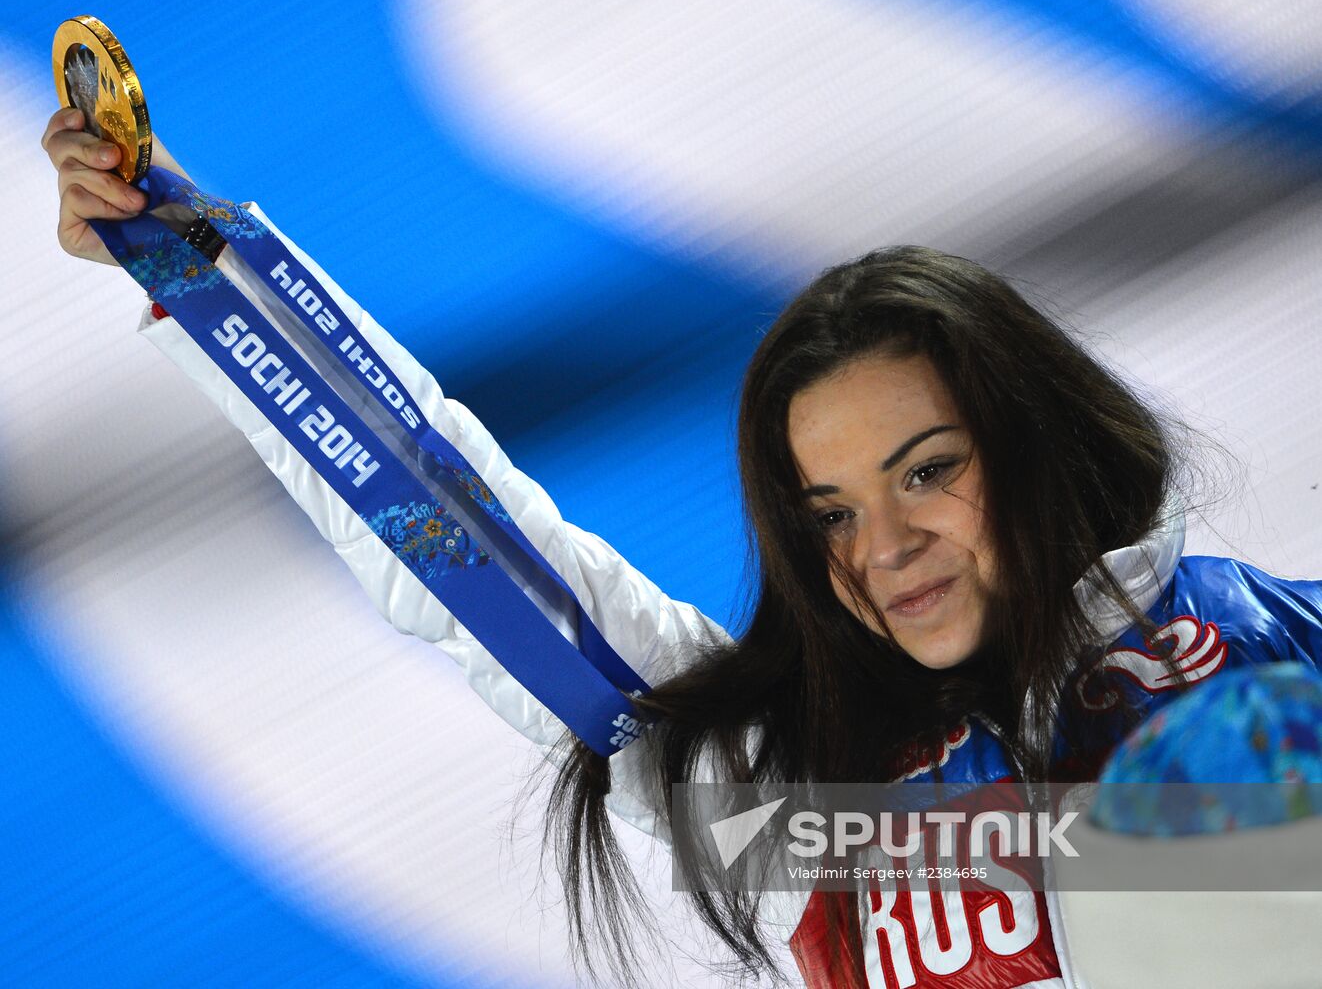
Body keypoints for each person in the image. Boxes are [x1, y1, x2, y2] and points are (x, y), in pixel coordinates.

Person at [43, 107, 1322, 989]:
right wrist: (208, 276)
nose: (883, 545)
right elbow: (469, 551)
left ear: (1029, 439)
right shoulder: (799, 799)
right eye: (825, 512)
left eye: (926, 471)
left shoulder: (1273, 652)